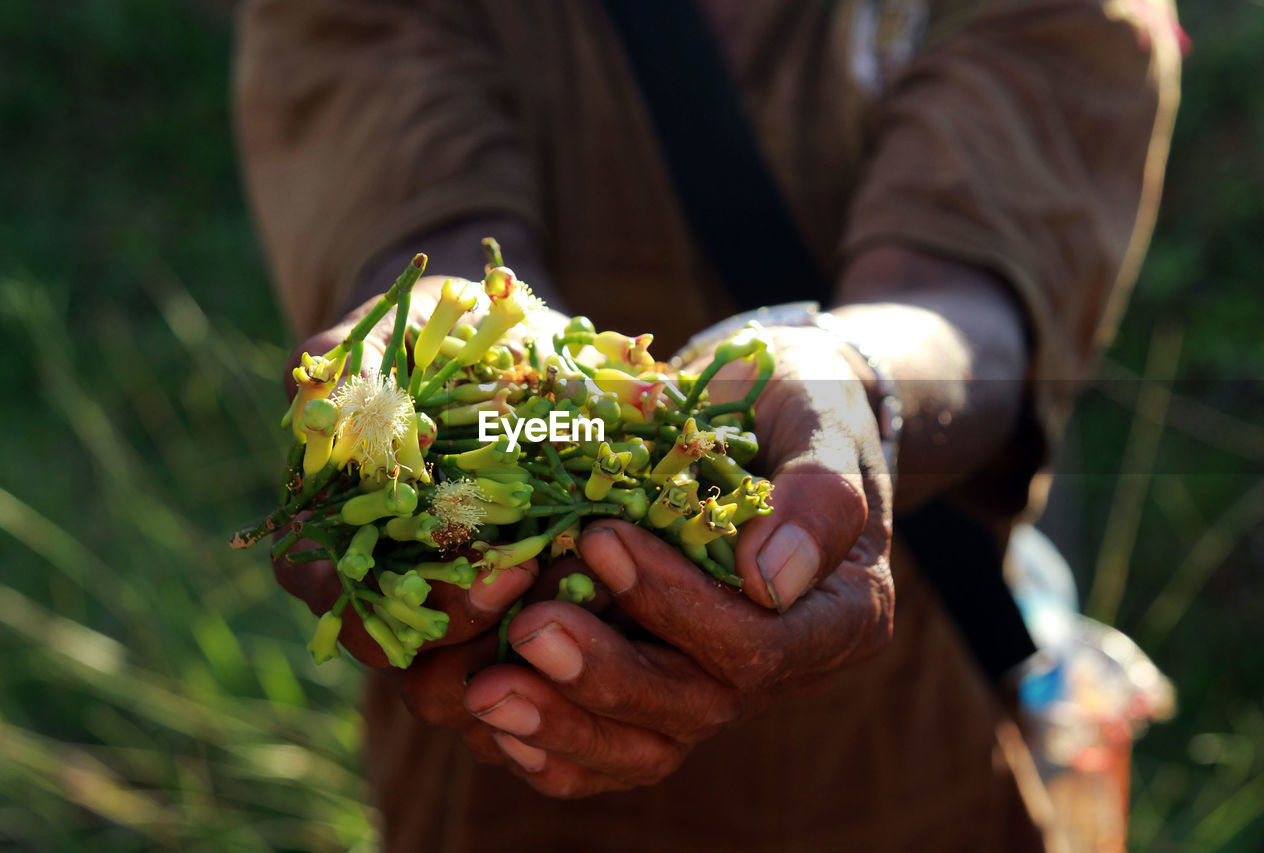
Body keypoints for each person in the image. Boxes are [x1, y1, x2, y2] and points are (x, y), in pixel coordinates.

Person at [234, 0, 1182, 849]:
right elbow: (420, 226)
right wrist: (434, 348)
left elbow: (961, 296)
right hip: (493, 798)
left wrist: (848, 379)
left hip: (903, 780)